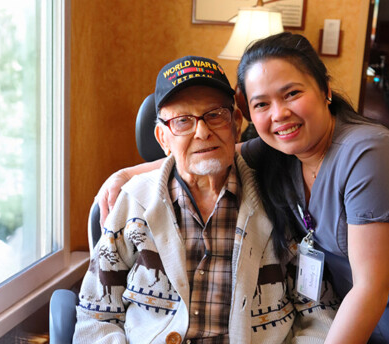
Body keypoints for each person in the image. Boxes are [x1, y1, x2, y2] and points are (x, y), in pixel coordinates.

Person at [97, 34, 389, 343]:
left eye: (292, 94)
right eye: (262, 103)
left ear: (325, 91)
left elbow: (369, 290)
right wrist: (127, 174)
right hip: (372, 329)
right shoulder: (277, 152)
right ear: (248, 114)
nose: (279, 114)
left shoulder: (370, 156)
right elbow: (205, 152)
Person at [74, 55, 339, 344]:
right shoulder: (132, 203)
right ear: (163, 138)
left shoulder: (280, 200)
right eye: (183, 121)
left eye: (215, 115)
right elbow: (97, 316)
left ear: (236, 124)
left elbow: (319, 313)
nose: (203, 131)